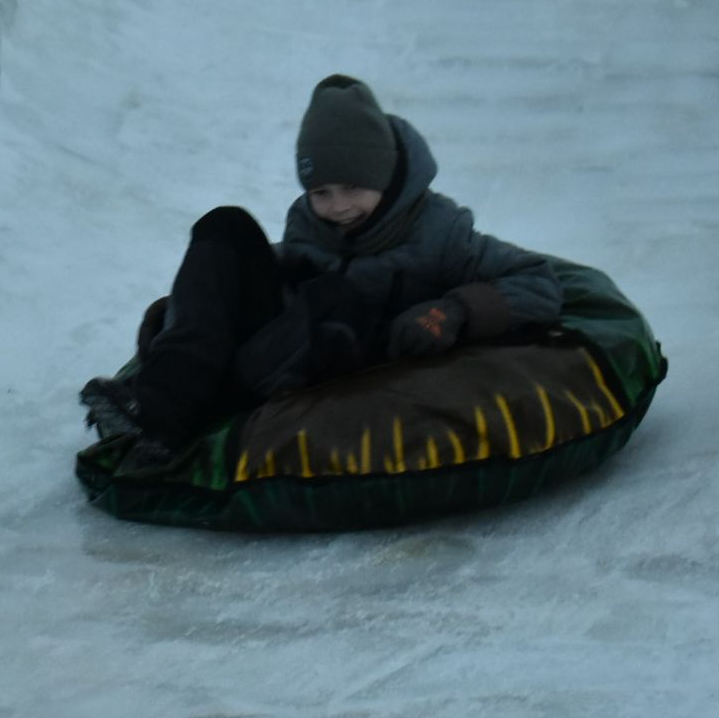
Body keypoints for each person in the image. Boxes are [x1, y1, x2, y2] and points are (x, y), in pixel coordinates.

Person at [82, 74, 564, 476]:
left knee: (335, 296)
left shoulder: (440, 232)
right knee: (225, 226)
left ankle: (188, 408)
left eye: (353, 187)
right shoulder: (308, 221)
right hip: (286, 344)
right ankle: (157, 413)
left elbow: (538, 281)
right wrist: (205, 293)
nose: (337, 208)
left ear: (386, 175)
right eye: (321, 192)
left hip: (354, 356)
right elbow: (286, 264)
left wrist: (450, 311)